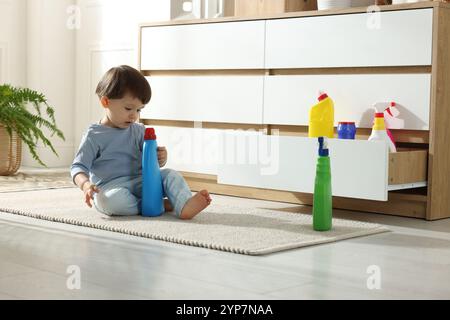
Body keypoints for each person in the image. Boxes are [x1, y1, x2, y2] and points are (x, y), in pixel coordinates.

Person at [70, 65, 211, 219]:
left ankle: (183, 204)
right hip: (112, 187)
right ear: (105, 102)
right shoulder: (94, 135)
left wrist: (161, 158)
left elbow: (152, 164)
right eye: (128, 108)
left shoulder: (138, 130)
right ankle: (159, 204)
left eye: (139, 110)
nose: (134, 116)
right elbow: (78, 167)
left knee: (171, 175)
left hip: (143, 181)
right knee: (109, 201)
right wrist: (85, 185)